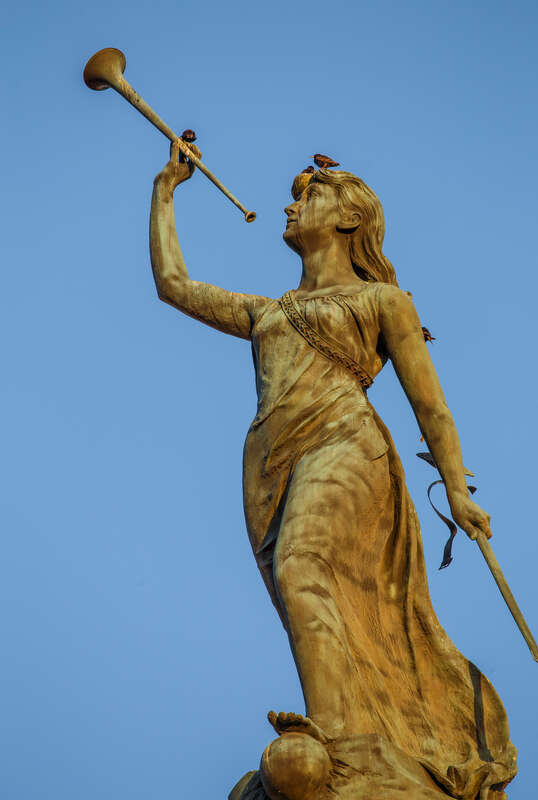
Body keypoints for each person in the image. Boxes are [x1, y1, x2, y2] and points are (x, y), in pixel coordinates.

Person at [150, 143, 517, 799]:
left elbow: (431, 406)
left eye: (309, 194)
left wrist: (457, 489)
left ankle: (335, 740)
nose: (292, 205)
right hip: (270, 464)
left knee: (301, 564)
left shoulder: (382, 300)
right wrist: (165, 189)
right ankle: (344, 720)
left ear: (350, 217)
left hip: (346, 440)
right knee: (301, 591)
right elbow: (174, 286)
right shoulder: (267, 311)